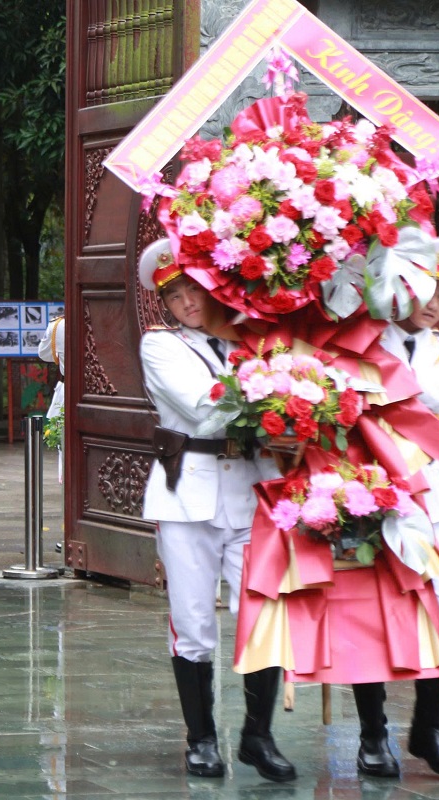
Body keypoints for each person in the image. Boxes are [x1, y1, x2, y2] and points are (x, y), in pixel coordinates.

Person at [137, 239, 294, 782]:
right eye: (174, 295)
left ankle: (257, 736)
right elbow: (204, 411)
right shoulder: (161, 346)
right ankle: (201, 739)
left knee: (265, 617)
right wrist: (276, 391)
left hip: (253, 491)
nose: (186, 303)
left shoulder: (253, 338)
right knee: (195, 623)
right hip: (189, 495)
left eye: (193, 290)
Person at [353, 237, 439, 779]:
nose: (433, 303)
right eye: (424, 288)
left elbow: (420, 398)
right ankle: (373, 735)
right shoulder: (358, 339)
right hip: (365, 489)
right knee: (366, 613)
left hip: (429, 495)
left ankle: (429, 728)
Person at [38, 311, 65, 483]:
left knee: (64, 440)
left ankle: (66, 479)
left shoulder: (59, 326)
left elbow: (44, 353)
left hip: (67, 388)